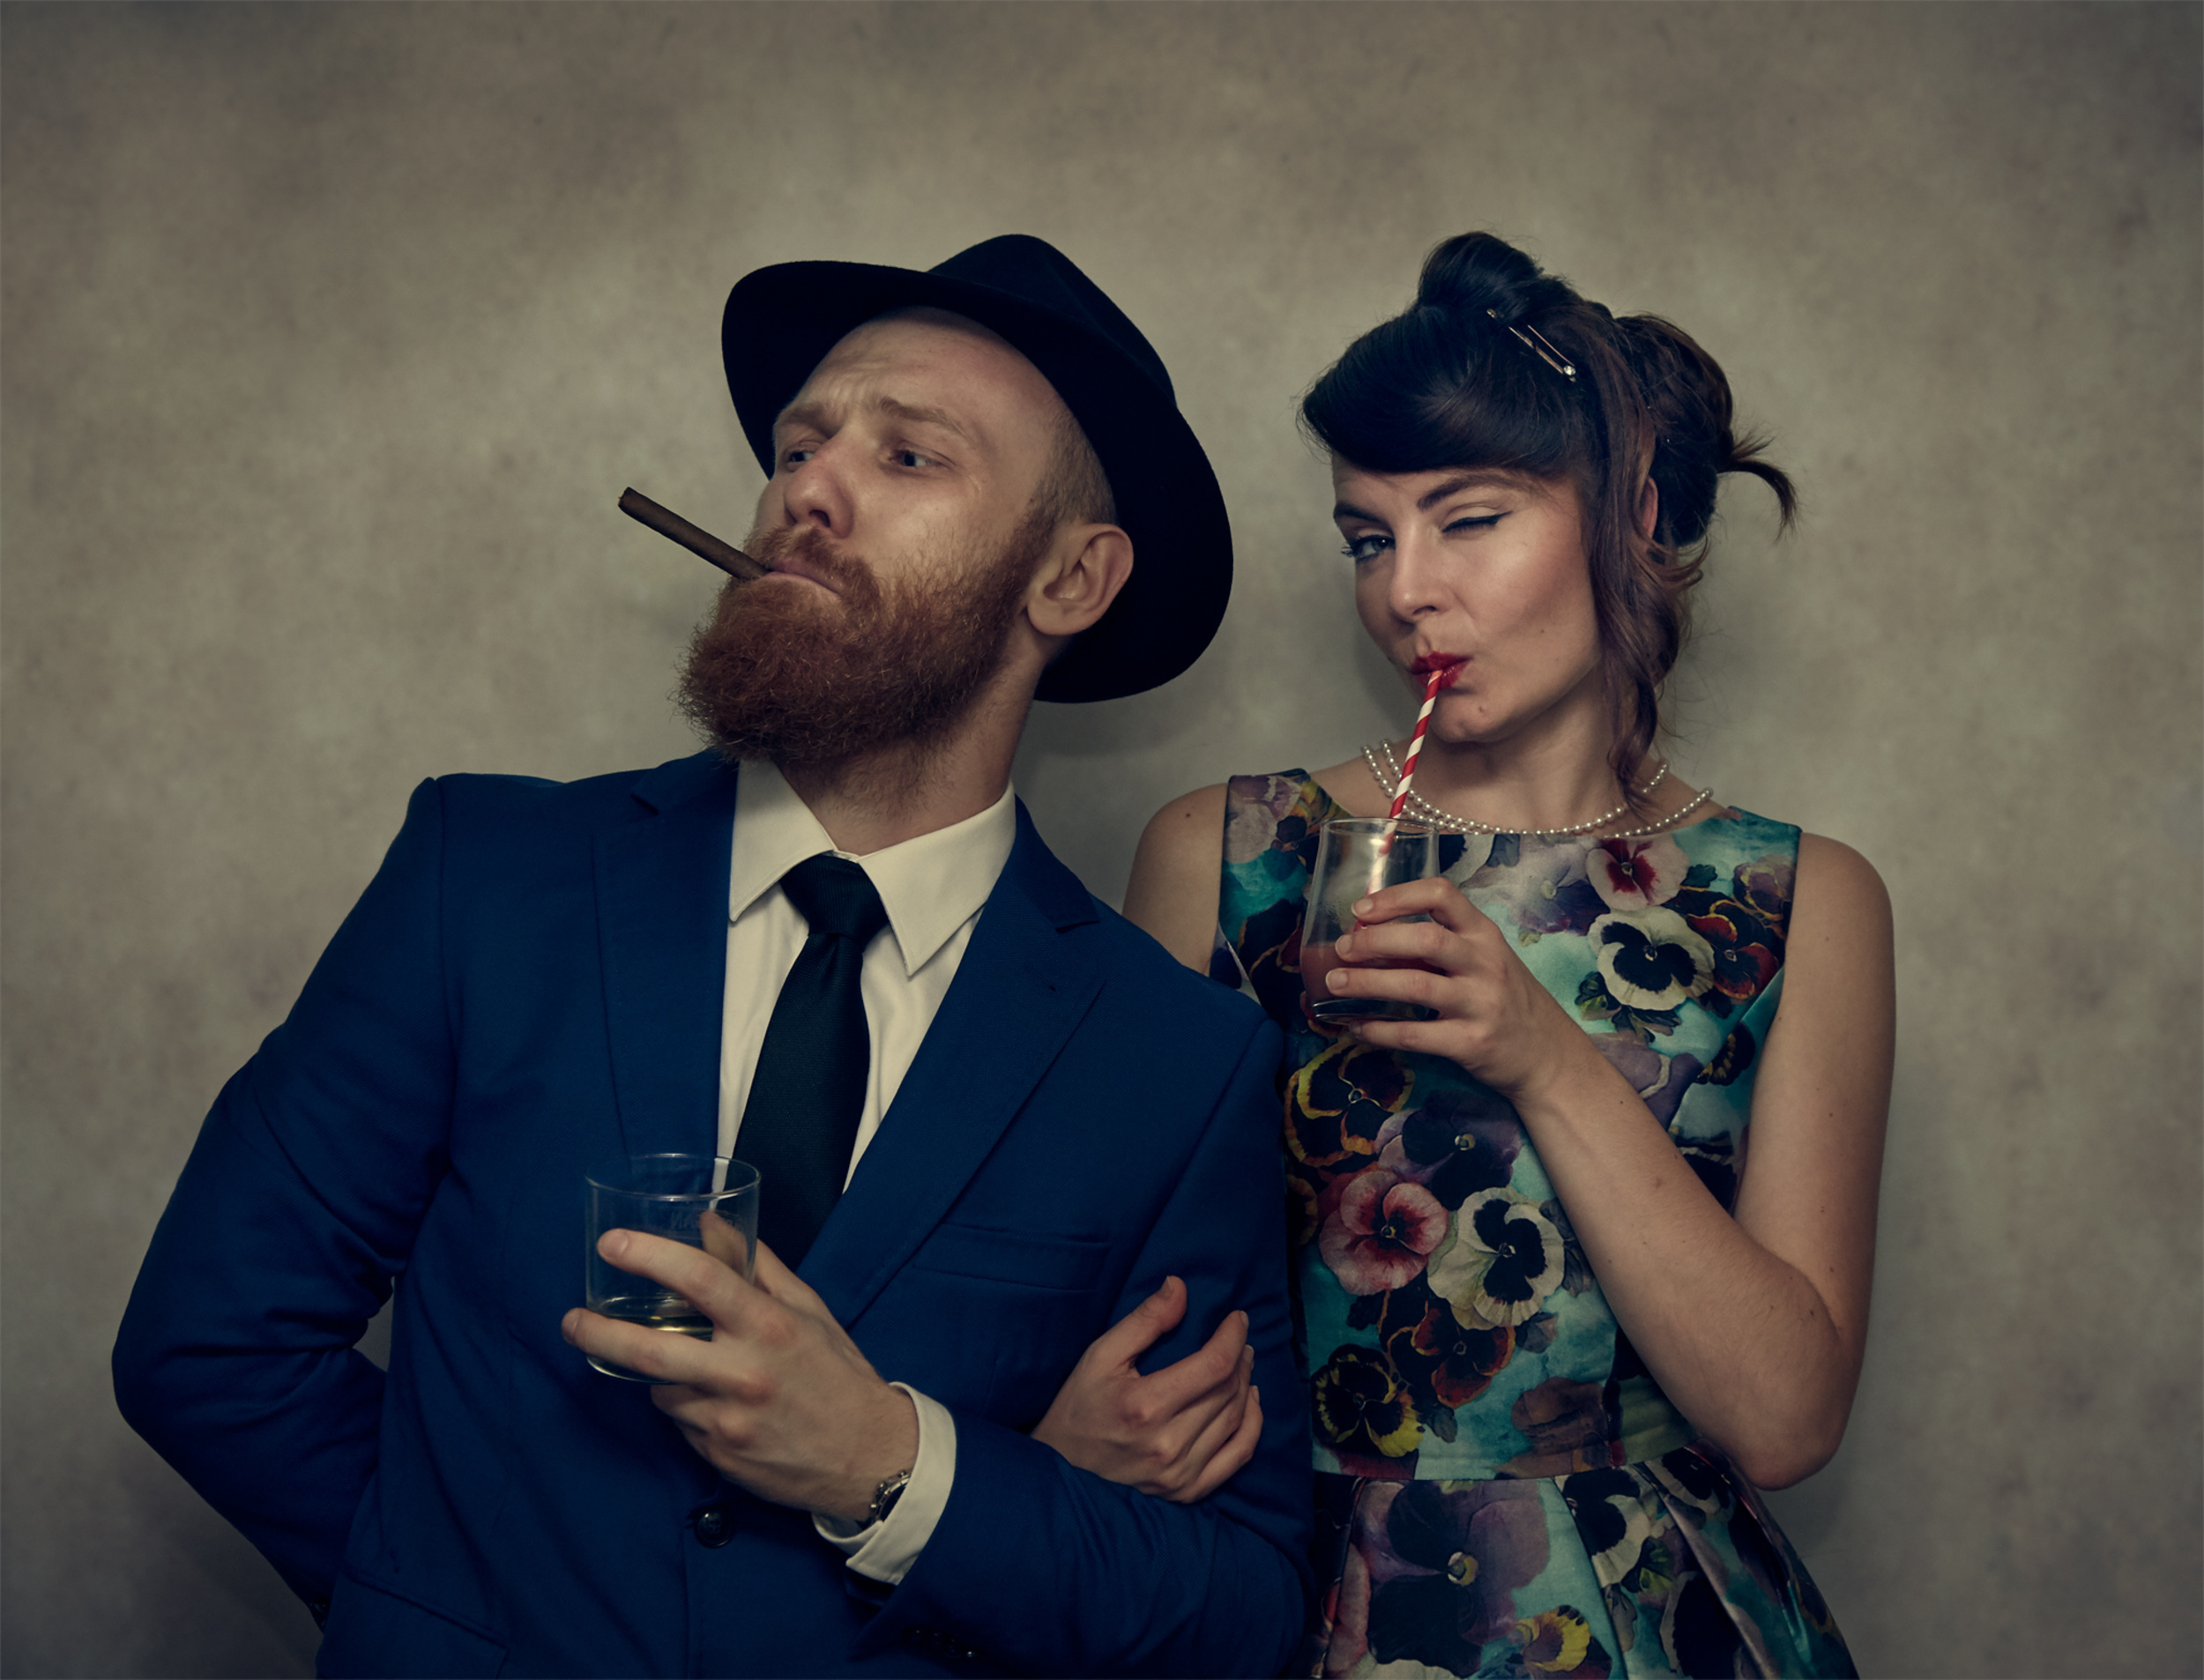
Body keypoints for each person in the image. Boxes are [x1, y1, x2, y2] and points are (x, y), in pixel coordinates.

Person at [112, 235, 1313, 1679]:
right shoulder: (483, 880)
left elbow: (1242, 1610)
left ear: (1070, 577)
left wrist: (900, 1466)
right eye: (800, 444)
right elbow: (213, 1343)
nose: (807, 487)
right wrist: (440, 1608)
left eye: (908, 455)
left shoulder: (1173, 1059)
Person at [1096, 233, 1893, 1677]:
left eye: (1467, 519)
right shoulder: (1225, 855)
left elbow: (1785, 1418)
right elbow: (1124, 1316)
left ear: (1634, 515)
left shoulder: (1799, 898)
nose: (1405, 590)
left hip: (1651, 1615)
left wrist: (1542, 1054)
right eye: (1367, 537)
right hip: (1294, 1597)